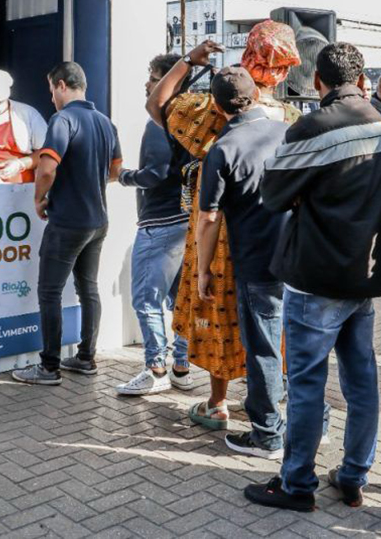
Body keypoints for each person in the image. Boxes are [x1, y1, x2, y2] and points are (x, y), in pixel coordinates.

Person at [243, 43, 381, 511]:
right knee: (361, 381)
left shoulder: (312, 126)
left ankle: (296, 485)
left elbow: (272, 195)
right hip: (364, 276)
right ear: (361, 77)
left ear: (318, 80)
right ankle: (354, 475)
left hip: (315, 277)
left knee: (308, 384)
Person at [145, 24, 300, 432]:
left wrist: (188, 61)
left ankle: (218, 403)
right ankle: (267, 396)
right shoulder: (290, 118)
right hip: (270, 234)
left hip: (216, 235)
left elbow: (157, 104)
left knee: (218, 313)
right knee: (270, 318)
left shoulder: (214, 108)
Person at [196, 66, 289, 460]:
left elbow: (209, 218)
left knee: (264, 350)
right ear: (256, 95)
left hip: (257, 263)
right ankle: (308, 424)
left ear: (216, 106)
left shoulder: (222, 148)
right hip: (302, 259)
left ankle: (268, 435)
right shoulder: (289, 133)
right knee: (299, 347)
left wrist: (202, 270)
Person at [12, 62, 122, 386]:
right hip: (98, 221)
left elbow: (46, 170)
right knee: (88, 289)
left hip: (67, 223)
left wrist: (38, 199)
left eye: (51, 91)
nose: (51, 99)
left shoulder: (63, 120)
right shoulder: (105, 123)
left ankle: (49, 367)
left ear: (61, 85)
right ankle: (86, 358)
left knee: (49, 292)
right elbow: (115, 172)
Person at [115, 53, 194, 396]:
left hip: (160, 223)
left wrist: (123, 175)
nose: (146, 83)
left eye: (152, 77)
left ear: (168, 83)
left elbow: (156, 174)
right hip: (184, 221)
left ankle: (155, 368)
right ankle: (180, 366)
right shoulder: (193, 120)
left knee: (147, 301)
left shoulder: (159, 123)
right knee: (179, 300)